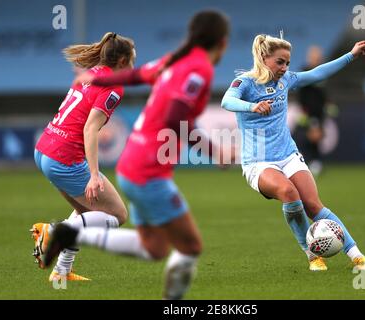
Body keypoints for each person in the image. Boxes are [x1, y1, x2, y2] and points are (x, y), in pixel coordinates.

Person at [43, 10, 231, 299]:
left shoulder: (172, 60)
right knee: (189, 246)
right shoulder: (200, 68)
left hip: (132, 164)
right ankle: (69, 233)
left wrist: (97, 81)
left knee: (153, 248)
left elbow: (139, 75)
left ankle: (69, 238)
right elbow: (175, 117)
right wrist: (214, 151)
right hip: (148, 171)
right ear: (223, 42)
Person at [220, 34, 365, 271]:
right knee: (288, 192)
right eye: (280, 62)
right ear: (264, 58)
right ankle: (313, 256)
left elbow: (317, 73)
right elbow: (227, 101)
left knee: (314, 206)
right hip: (258, 162)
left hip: (288, 155)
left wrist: (350, 56)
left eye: (287, 63)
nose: (285, 68)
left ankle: (357, 257)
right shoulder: (245, 83)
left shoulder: (287, 80)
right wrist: (252, 106)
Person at [32, 32, 135, 281]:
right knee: (118, 215)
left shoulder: (93, 71)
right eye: (133, 59)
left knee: (86, 212)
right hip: (64, 157)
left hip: (44, 149)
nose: (134, 65)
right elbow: (91, 128)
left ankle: (62, 271)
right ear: (122, 61)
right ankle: (54, 233)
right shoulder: (114, 86)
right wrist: (93, 175)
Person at [294, 45, 328, 176]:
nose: (317, 58)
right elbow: (302, 94)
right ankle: (311, 162)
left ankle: (314, 162)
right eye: (314, 56)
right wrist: (304, 109)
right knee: (307, 136)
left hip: (319, 112)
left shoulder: (322, 72)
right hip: (308, 111)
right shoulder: (304, 72)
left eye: (318, 56)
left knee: (316, 137)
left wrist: (327, 104)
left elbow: (323, 94)